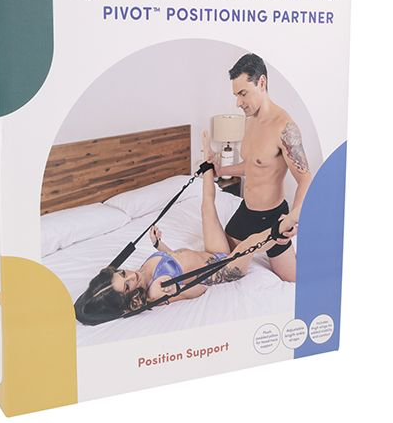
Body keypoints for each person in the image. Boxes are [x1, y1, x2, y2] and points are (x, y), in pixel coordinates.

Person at [74, 134, 270, 326]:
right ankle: (284, 226)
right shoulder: (155, 293)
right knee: (250, 243)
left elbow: (174, 260)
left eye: (123, 274)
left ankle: (208, 161)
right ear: (128, 301)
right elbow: (200, 289)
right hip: (224, 269)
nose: (131, 276)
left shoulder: (140, 273)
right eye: (127, 286)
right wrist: (177, 289)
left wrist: (159, 245)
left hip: (213, 254)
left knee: (206, 207)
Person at [210, 52, 312, 283]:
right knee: (221, 259)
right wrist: (221, 171)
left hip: (271, 217)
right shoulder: (250, 121)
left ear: (262, 83)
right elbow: (253, 164)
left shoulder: (285, 128)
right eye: (236, 95)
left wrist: (293, 217)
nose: (238, 102)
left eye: (243, 93)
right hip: (246, 211)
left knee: (294, 280)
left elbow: (305, 178)